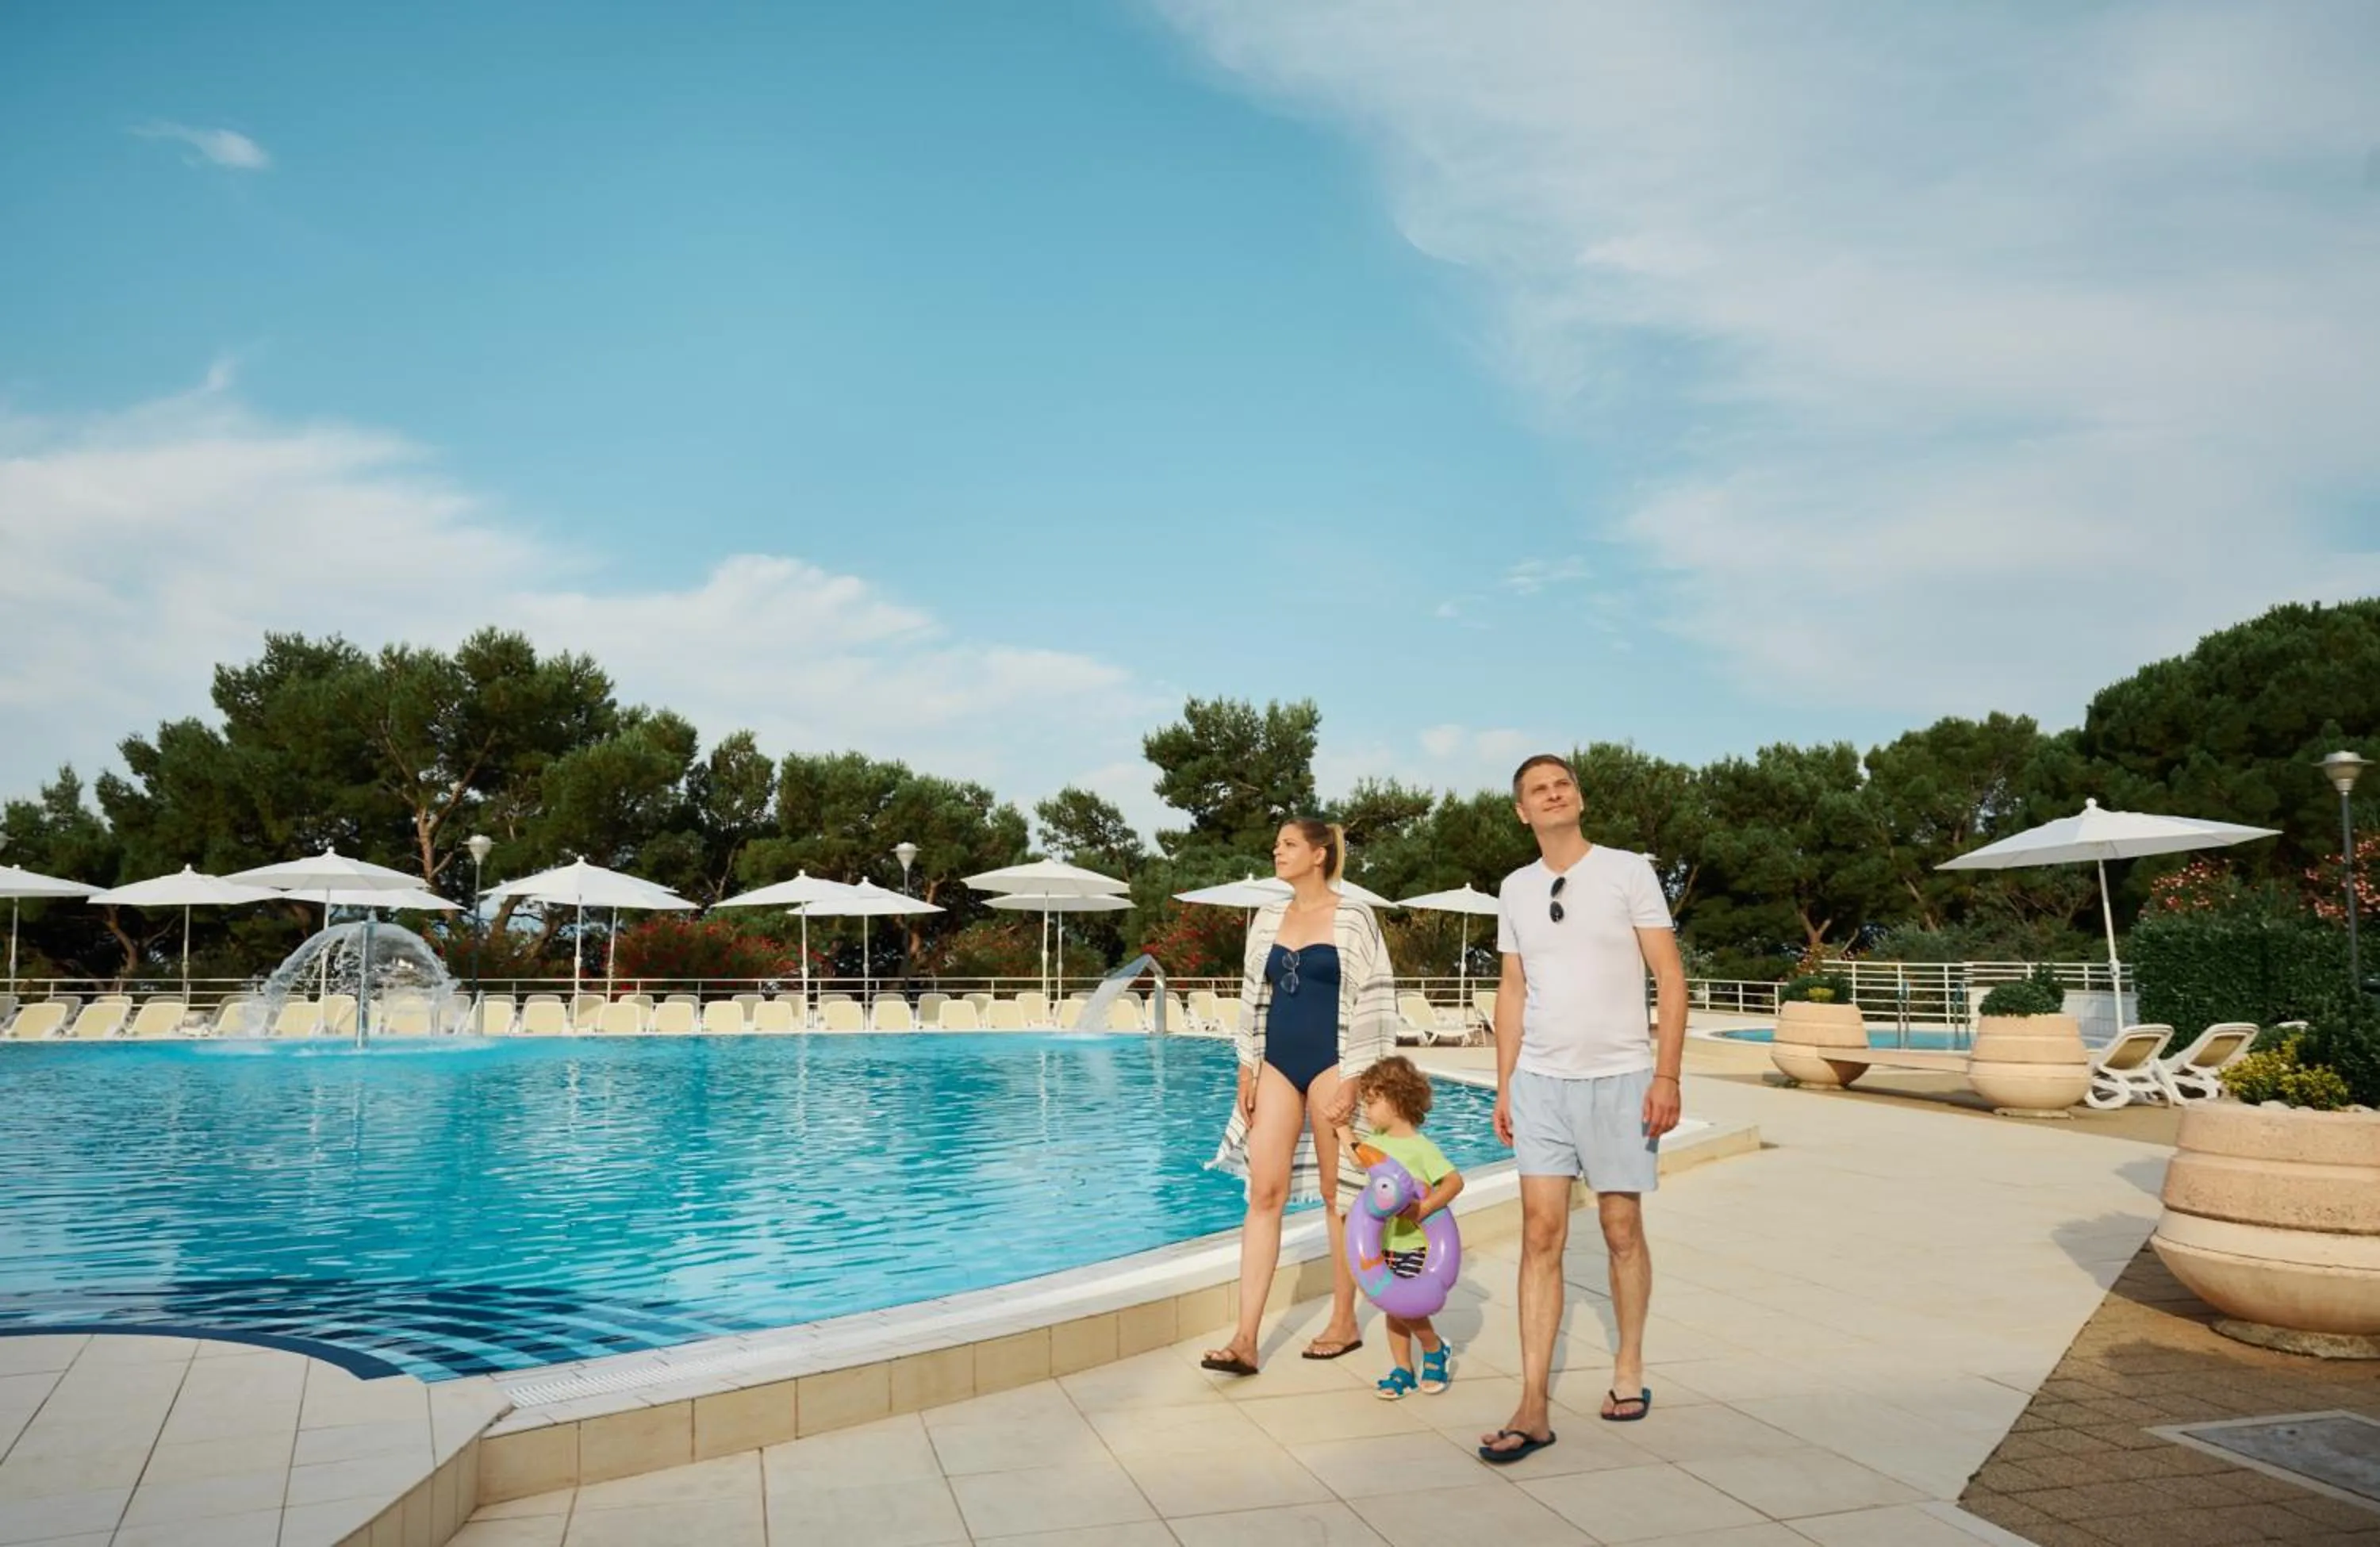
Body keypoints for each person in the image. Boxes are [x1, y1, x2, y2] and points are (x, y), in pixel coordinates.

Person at [1479, 754, 1687, 1464]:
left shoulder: (1629, 871)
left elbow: (1669, 973)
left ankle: (1628, 1365)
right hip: (1540, 1081)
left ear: (1580, 798)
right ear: (1523, 812)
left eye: (1562, 783)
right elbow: (1512, 987)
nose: (1553, 793)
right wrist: (1504, 1083)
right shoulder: (1514, 888)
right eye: (1538, 789)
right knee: (1541, 1234)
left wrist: (1667, 1074)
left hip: (1622, 1076)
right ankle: (1533, 1402)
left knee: (1621, 1225)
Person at [1203, 819, 1398, 1375]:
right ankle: (1244, 1338)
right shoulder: (1267, 918)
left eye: (1288, 844)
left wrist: (1359, 1075)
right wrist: (1247, 1067)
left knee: (1341, 1198)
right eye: (1277, 843)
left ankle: (1344, 1319)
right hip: (1277, 1064)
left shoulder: (1355, 916)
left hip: (1337, 1062)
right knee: (1265, 1192)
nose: (1276, 851)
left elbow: (1377, 995)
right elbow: (1250, 995)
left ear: (1318, 854)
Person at [1348, 1054, 1464, 1400]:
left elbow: (1454, 1182)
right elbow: (1357, 1157)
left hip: (1416, 1246)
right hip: (1384, 1243)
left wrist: (1426, 1207)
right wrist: (1339, 1126)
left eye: (1371, 1102)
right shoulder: (1377, 1144)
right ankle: (1403, 1370)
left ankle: (1433, 1349)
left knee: (1404, 1306)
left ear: (1396, 1100)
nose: (1366, 1111)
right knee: (1391, 1305)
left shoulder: (1421, 1149)